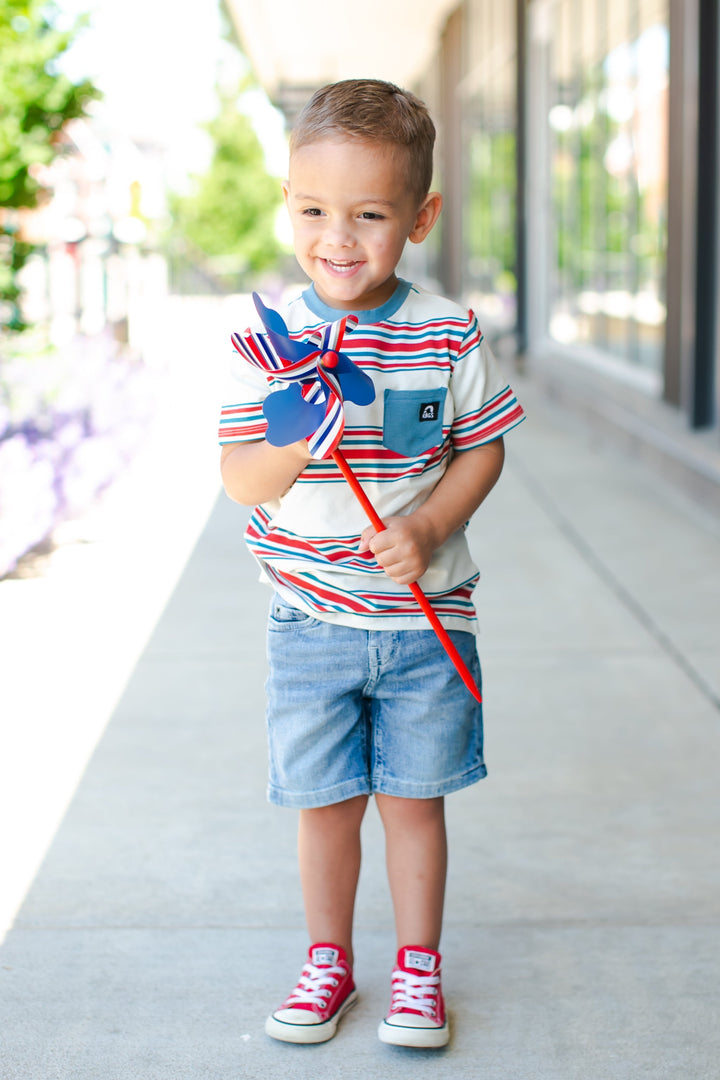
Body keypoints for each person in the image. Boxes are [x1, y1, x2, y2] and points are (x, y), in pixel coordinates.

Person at [218, 78, 525, 1049]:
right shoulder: (271, 346)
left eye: (369, 214)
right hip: (308, 620)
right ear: (288, 206)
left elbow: (483, 446)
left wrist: (430, 526)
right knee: (322, 807)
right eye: (314, 211)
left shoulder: (446, 331)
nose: (337, 238)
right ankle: (328, 961)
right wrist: (294, 442)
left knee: (413, 804)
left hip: (424, 623)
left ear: (421, 217)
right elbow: (240, 478)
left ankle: (418, 969)